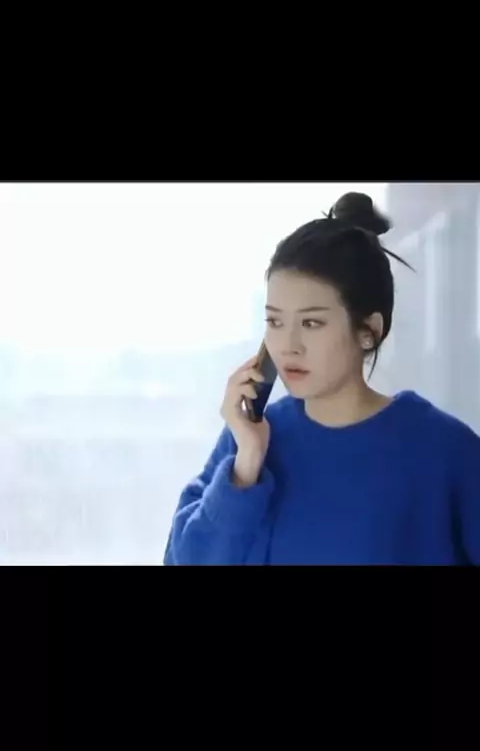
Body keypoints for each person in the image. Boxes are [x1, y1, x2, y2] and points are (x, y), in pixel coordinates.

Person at [164, 192, 480, 565]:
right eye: (275, 321)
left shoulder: (443, 451)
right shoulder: (248, 442)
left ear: (369, 331)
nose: (288, 346)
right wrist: (246, 467)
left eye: (311, 323)